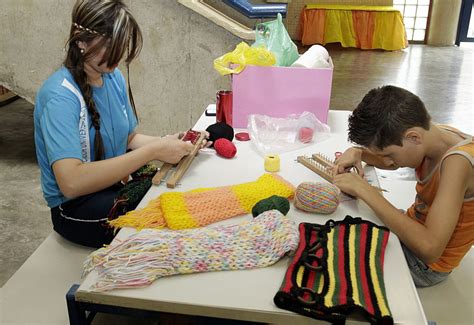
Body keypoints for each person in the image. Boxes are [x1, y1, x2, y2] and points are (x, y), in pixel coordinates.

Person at [34, 0, 207, 248]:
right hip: (75, 207)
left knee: (179, 191)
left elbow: (126, 139)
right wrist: (154, 151)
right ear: (80, 41)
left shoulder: (111, 76)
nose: (119, 53)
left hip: (113, 185)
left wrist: (170, 143)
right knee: (165, 217)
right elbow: (71, 183)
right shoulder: (60, 97)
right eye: (110, 45)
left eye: (122, 44)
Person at [332, 85, 473, 287]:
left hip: (425, 266)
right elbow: (393, 161)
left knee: (338, 257)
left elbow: (430, 249)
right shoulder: (432, 134)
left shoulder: (457, 164)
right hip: (413, 230)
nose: (387, 161)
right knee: (342, 224)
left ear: (414, 137)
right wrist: (359, 153)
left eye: (389, 154)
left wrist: (365, 190)